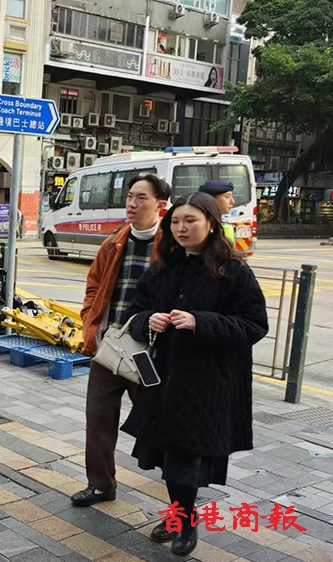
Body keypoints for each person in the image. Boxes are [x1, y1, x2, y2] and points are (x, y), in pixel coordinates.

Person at [122, 192, 267, 556]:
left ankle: (184, 524)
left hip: (209, 383)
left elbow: (254, 325)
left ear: (211, 224)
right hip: (164, 379)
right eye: (176, 222)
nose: (182, 228)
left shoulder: (234, 270)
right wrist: (146, 320)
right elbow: (136, 311)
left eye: (191, 221)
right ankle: (178, 517)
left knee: (184, 459)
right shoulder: (164, 265)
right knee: (170, 458)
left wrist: (201, 322)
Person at [71, 173, 171, 508]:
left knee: (161, 423)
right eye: (130, 196)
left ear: (161, 205)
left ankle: (179, 493)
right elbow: (93, 286)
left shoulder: (173, 248)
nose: (132, 203)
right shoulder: (114, 242)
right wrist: (91, 324)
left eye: (141, 197)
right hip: (110, 348)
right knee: (98, 419)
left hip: (151, 353)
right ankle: (101, 485)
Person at [198, 181, 236, 245]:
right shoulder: (200, 226)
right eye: (227, 197)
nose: (233, 201)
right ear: (211, 199)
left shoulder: (225, 225)